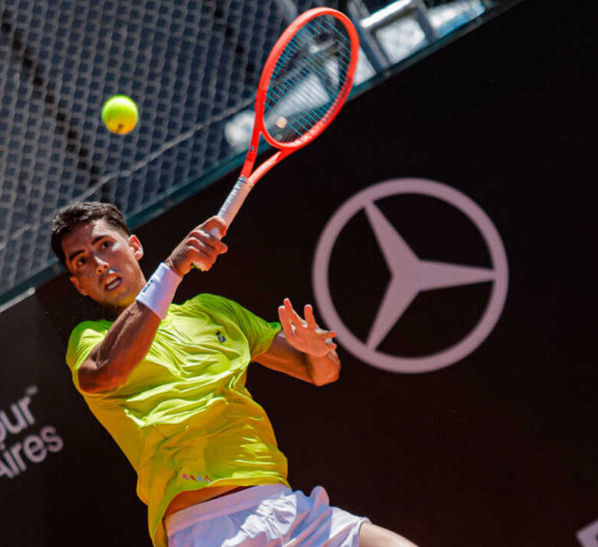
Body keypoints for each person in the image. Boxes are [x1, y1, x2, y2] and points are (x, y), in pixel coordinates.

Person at [51, 201, 417, 547]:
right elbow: (104, 374)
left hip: (283, 506)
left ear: (134, 246)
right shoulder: (91, 340)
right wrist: (172, 269)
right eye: (81, 260)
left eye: (105, 245)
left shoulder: (212, 311)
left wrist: (319, 351)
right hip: (206, 527)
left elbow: (320, 373)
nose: (99, 263)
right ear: (78, 284)